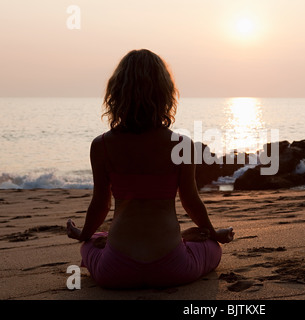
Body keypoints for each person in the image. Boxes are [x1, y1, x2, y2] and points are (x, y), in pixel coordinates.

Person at [66, 49, 234, 289]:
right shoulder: (182, 145)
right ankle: (183, 239)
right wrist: (214, 233)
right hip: (172, 268)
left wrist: (84, 234)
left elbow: (100, 205)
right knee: (211, 248)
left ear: (116, 93)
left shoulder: (101, 145)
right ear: (165, 94)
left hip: (115, 272)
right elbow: (191, 202)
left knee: (90, 244)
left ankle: (111, 242)